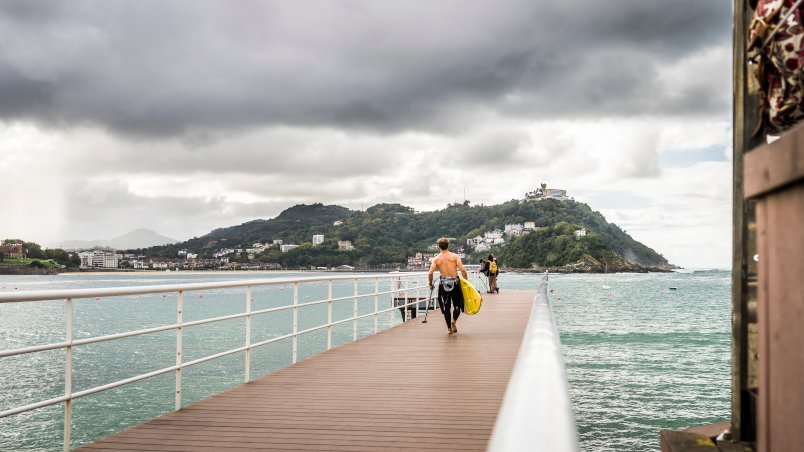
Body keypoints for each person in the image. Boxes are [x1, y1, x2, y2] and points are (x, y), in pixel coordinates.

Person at [428, 237, 468, 335]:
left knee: (446, 306)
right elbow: (463, 270)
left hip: (444, 283)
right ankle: (454, 321)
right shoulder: (455, 256)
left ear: (439, 246)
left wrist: (430, 284)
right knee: (457, 304)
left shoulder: (436, 259)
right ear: (448, 245)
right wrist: (466, 282)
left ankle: (449, 329)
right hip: (455, 282)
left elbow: (430, 273)